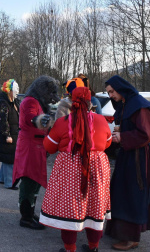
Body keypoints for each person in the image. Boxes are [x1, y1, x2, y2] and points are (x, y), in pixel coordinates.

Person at [40, 87, 112, 252]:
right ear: (90, 102)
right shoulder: (101, 120)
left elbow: (49, 147)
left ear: (72, 101)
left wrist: (47, 132)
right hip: (97, 167)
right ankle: (94, 246)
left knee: (70, 206)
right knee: (95, 205)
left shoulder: (63, 122)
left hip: (70, 167)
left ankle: (69, 248)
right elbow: (107, 143)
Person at [104, 75, 150, 251]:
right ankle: (121, 232)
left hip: (138, 158)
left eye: (111, 91)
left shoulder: (139, 105)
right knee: (121, 191)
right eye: (108, 93)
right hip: (127, 154)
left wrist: (122, 136)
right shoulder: (127, 104)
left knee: (132, 193)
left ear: (120, 88)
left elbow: (145, 134)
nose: (110, 95)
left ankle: (132, 237)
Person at [12, 75, 60, 230]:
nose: (51, 96)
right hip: (30, 148)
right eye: (50, 92)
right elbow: (33, 118)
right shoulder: (30, 102)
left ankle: (30, 213)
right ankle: (26, 217)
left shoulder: (37, 101)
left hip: (37, 148)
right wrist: (53, 123)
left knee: (35, 183)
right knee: (28, 181)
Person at [0, 79, 20, 190]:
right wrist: (7, 135)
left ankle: (2, 178)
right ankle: (9, 183)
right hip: (7, 136)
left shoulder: (15, 102)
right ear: (9, 91)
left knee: (7, 157)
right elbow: (3, 121)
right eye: (15, 90)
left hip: (15, 134)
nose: (17, 92)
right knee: (9, 159)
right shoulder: (3, 103)